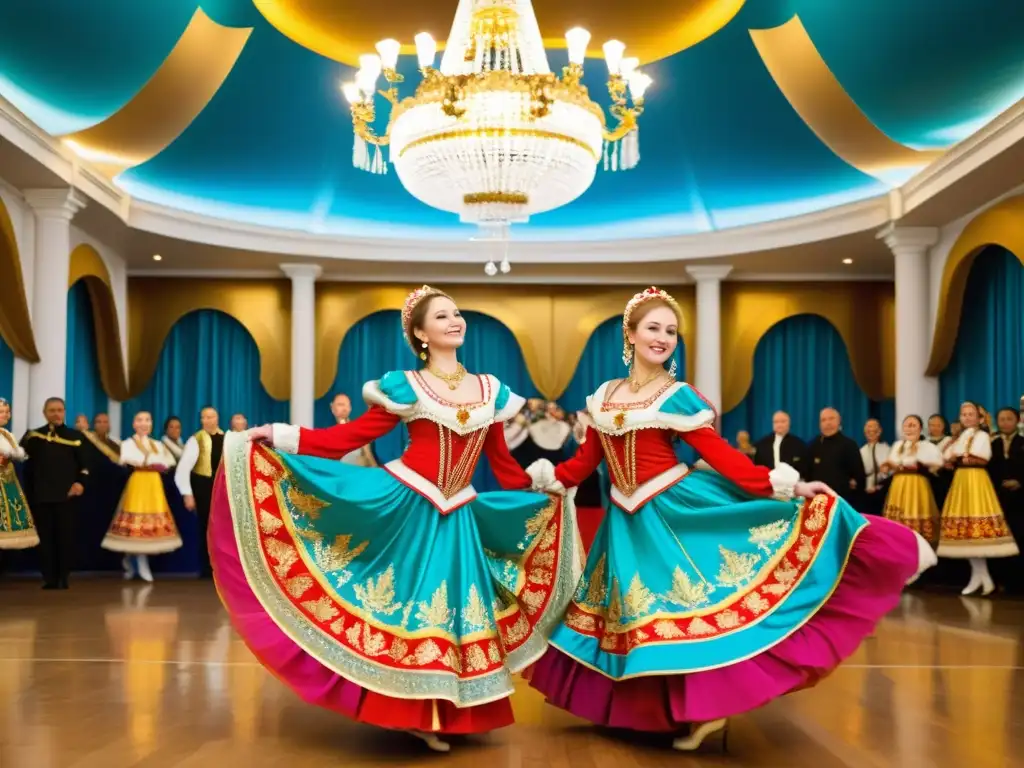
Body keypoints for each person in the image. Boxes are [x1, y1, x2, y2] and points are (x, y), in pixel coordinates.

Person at [526, 287, 934, 752]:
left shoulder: (678, 397)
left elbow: (721, 457)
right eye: (654, 328)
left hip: (673, 511)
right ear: (631, 334)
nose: (663, 338)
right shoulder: (603, 398)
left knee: (688, 608)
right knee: (639, 617)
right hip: (623, 524)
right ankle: (651, 713)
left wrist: (788, 486)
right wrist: (544, 479)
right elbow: (585, 462)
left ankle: (705, 710)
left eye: (672, 332)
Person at [210, 286, 580, 752]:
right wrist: (277, 435)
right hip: (407, 506)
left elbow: (501, 465)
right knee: (408, 612)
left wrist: (543, 485)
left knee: (452, 616)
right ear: (421, 333)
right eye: (441, 316)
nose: (454, 321)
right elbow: (346, 437)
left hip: (459, 514)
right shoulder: (405, 385)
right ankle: (409, 712)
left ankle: (446, 711)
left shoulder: (489, 390)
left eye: (456, 313)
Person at [938, 401, 1018, 595]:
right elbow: (947, 455)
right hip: (961, 481)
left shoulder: (982, 435)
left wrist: (960, 455)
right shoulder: (961, 436)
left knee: (977, 527)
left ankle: (982, 577)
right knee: (965, 532)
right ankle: (980, 576)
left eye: (970, 414)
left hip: (976, 480)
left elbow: (981, 456)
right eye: (963, 414)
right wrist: (955, 452)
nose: (966, 417)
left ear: (979, 417)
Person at [102, 411, 182, 582]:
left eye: (147, 420)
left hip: (153, 484)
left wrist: (158, 464)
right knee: (135, 524)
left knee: (151, 523)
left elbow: (168, 461)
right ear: (134, 424)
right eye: (140, 420)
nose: (144, 424)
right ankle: (136, 560)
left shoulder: (157, 444)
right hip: (138, 482)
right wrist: (149, 462)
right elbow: (127, 459)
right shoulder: (128, 443)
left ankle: (137, 560)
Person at [19, 397, 90, 589]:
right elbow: (23, 462)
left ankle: (63, 576)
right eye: (52, 410)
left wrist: (80, 483)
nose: (56, 414)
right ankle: (49, 578)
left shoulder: (76, 436)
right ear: (45, 413)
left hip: (67, 496)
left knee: (65, 538)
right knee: (45, 539)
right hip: (41, 495)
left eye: (60, 410)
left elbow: (85, 466)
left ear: (64, 412)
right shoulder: (33, 436)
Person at [175, 406, 224, 578]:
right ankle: (206, 568)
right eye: (205, 417)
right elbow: (183, 469)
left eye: (212, 417)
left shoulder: (226, 438)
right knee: (206, 527)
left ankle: (221, 568)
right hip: (203, 488)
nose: (208, 420)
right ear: (201, 420)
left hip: (221, 489)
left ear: (217, 418)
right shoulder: (196, 440)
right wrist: (187, 494)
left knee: (222, 529)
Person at [880, 415, 943, 547]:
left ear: (920, 429)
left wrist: (921, 464)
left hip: (917, 485)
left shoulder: (927, 446)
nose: (910, 428)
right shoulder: (898, 445)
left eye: (913, 425)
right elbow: (893, 464)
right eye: (907, 425)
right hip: (899, 485)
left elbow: (937, 464)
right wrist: (887, 465)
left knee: (918, 513)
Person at [990, 407, 1024, 592]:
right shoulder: (992, 444)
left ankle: (1018, 583)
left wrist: (1020, 482)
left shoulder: (1022, 442)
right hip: (997, 498)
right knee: (1000, 539)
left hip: (1020, 500)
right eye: (1001, 419)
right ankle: (999, 580)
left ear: (1017, 421)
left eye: (1009, 418)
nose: (1005, 422)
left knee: (1019, 538)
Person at [805, 408, 866, 505]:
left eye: (831, 418)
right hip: (817, 501)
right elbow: (806, 475)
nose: (827, 423)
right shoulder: (812, 446)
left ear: (839, 421)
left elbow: (859, 477)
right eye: (823, 420)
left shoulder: (849, 445)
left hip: (842, 501)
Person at [0, 397, 38, 550]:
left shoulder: (7, 434)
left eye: (6, 412)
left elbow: (18, 454)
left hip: (8, 483)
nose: (4, 415)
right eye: (0, 412)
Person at [329, 393, 377, 467]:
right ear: (332, 407)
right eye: (340, 404)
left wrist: (378, 475)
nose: (344, 408)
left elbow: (369, 457)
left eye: (347, 405)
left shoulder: (359, 431)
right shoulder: (329, 436)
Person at [753, 411, 805, 477]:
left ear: (789, 423)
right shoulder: (762, 444)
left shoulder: (799, 444)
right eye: (776, 422)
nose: (779, 425)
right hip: (767, 483)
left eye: (783, 421)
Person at [859, 418, 890, 516]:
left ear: (879, 431)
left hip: (884, 491)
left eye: (873, 428)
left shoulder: (887, 449)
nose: (870, 431)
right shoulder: (861, 451)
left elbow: (892, 473)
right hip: (866, 493)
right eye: (868, 428)